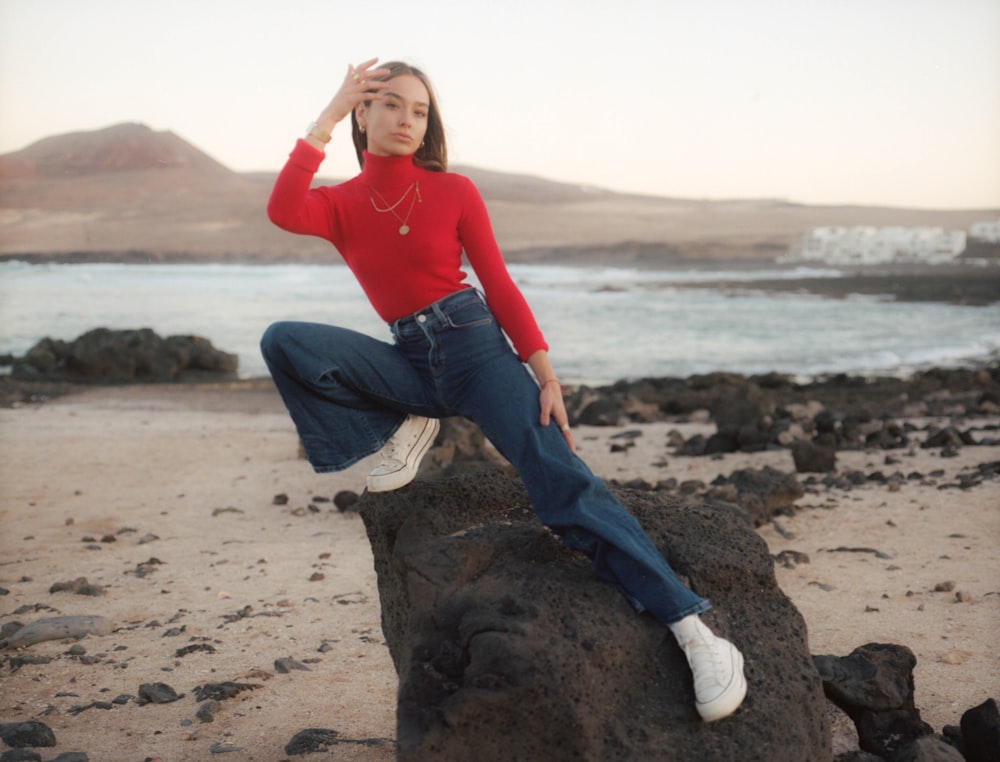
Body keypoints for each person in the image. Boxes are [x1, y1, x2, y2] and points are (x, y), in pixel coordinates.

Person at [260, 58, 747, 722]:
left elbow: (499, 282)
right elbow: (284, 209)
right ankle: (400, 427)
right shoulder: (341, 204)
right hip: (411, 359)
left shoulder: (454, 191)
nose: (407, 120)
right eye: (391, 105)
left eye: (420, 110)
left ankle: (695, 632)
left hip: (475, 349)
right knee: (286, 341)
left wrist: (545, 375)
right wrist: (325, 115)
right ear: (362, 115)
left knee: (561, 485)